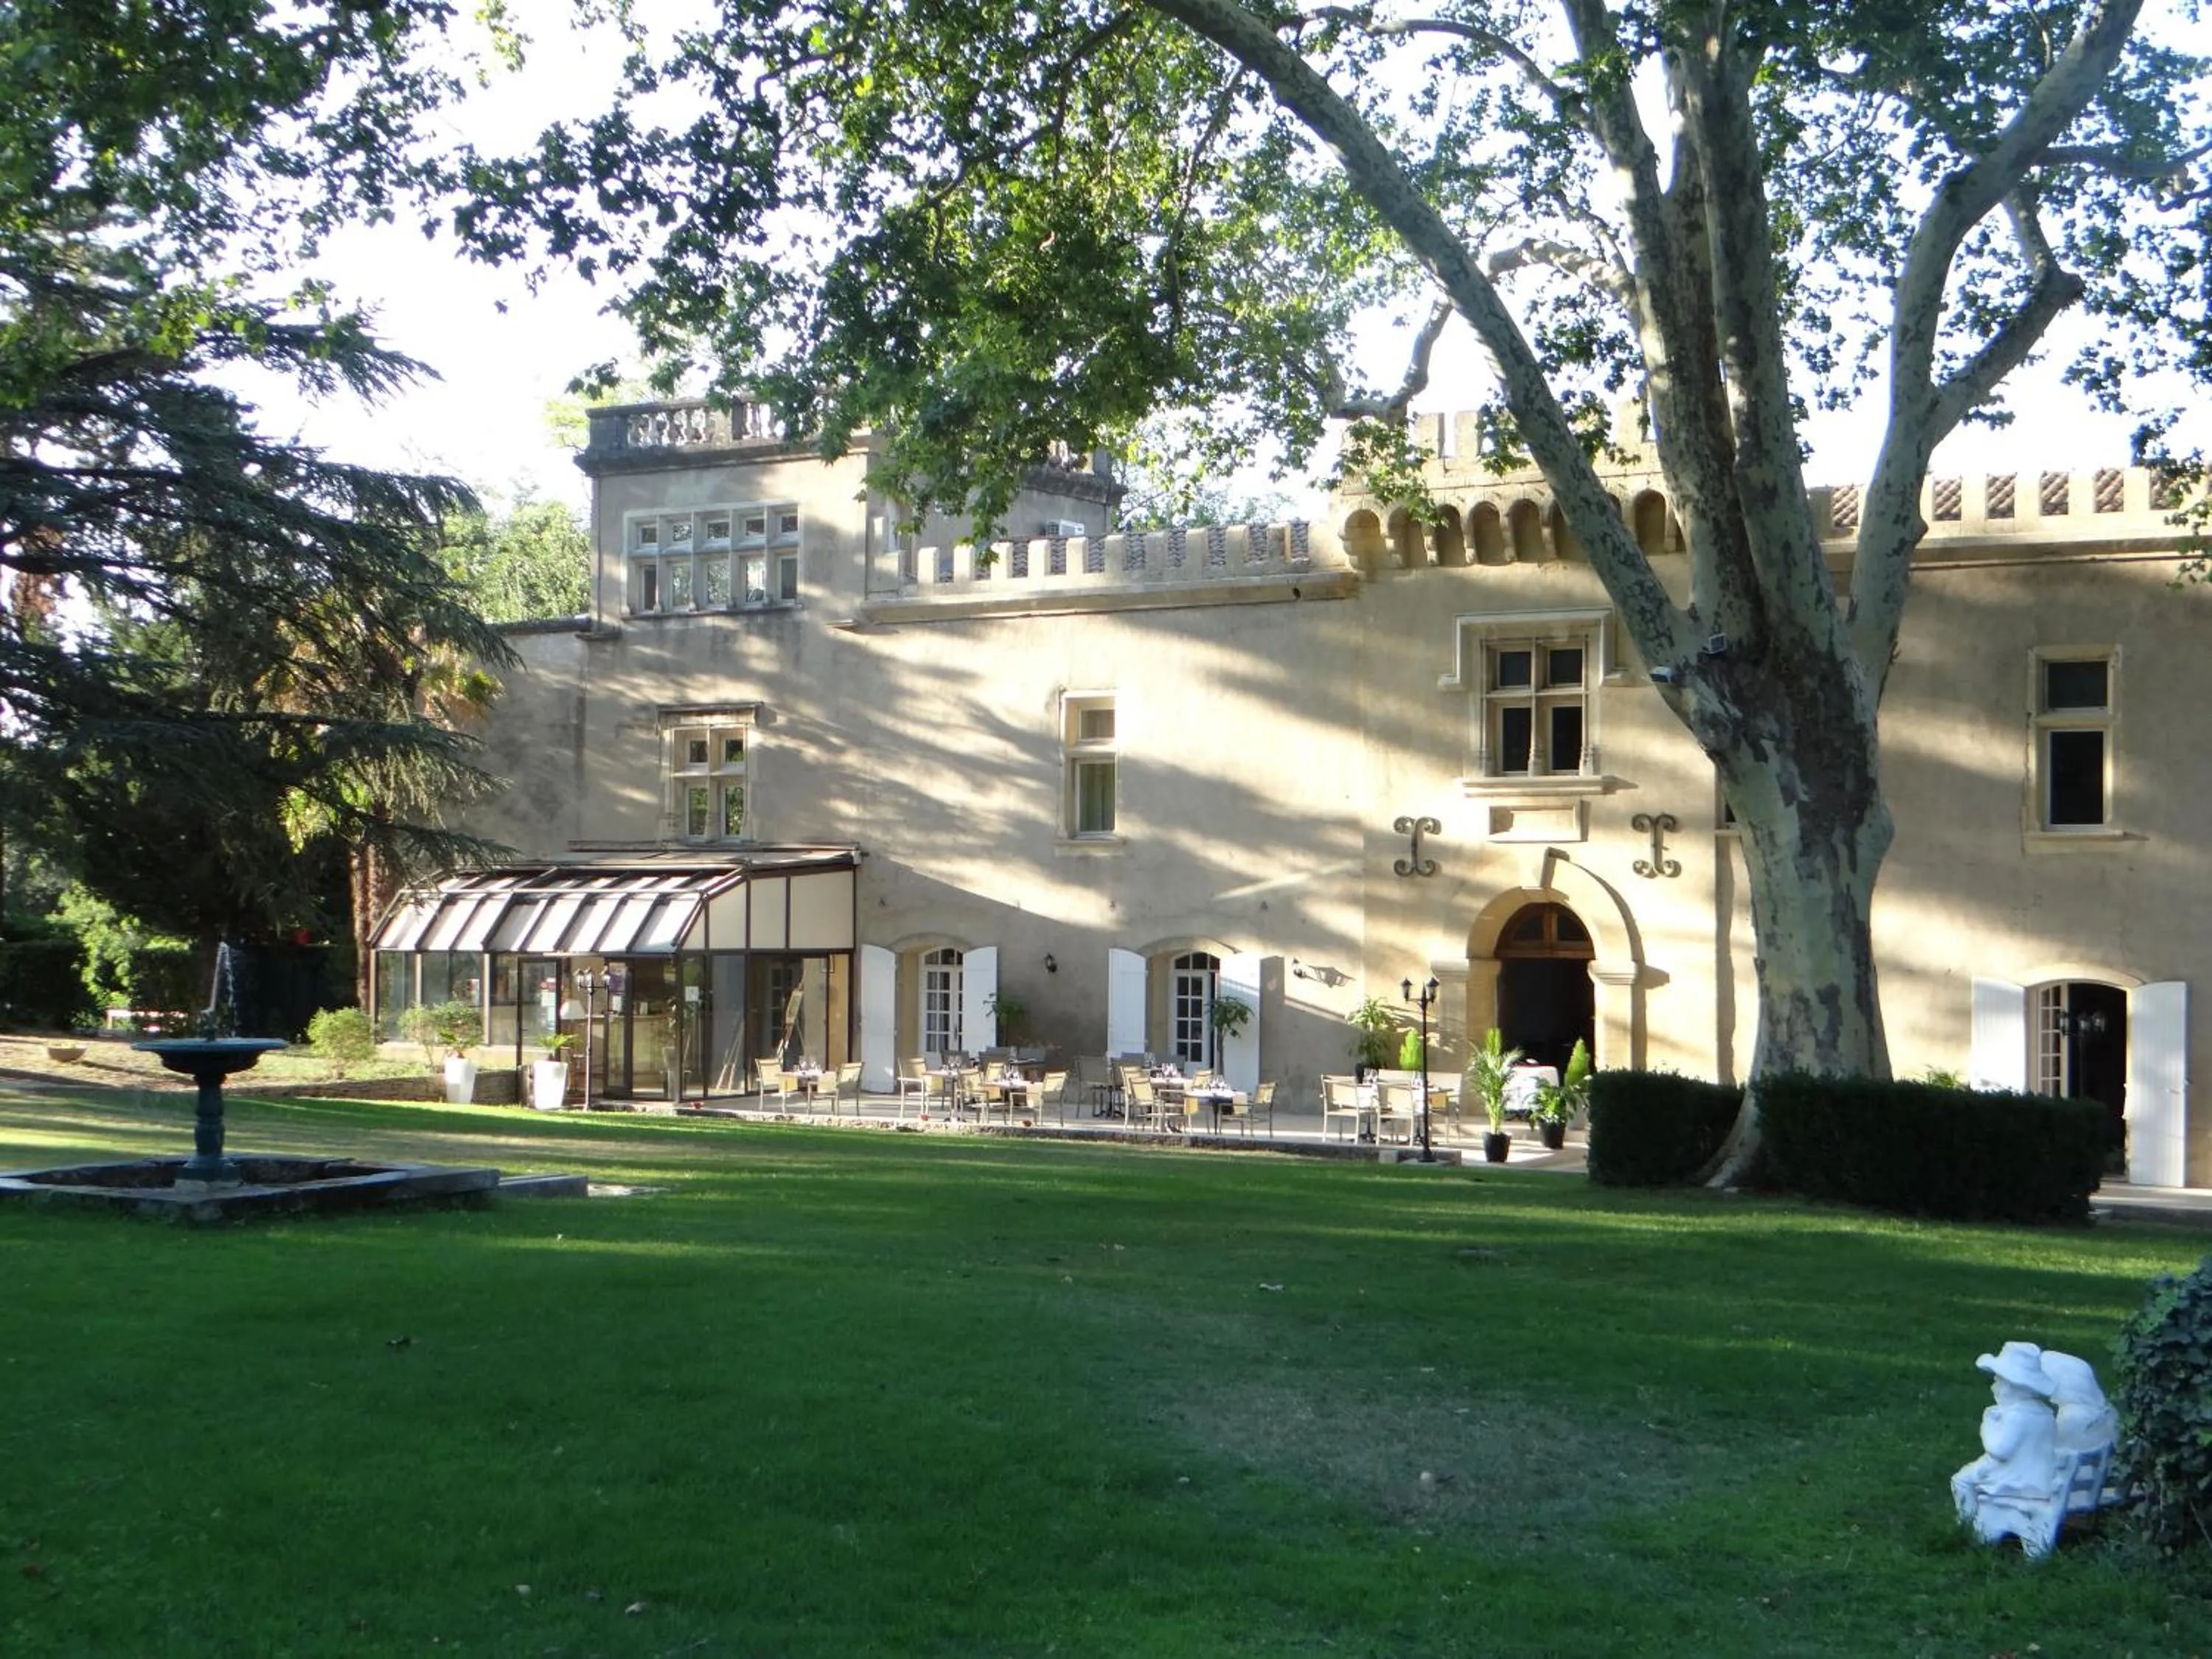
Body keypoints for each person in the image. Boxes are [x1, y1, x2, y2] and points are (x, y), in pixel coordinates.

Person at [1952, 1341, 2062, 1554]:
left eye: (1998, 1381)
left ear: (2012, 1386)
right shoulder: (2045, 1413)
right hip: (2041, 1479)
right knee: (1971, 1474)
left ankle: (1968, 1527)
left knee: (1961, 1480)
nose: (1994, 1387)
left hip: (2016, 1480)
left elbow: (1999, 1450)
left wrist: (1988, 1423)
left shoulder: (2016, 1417)